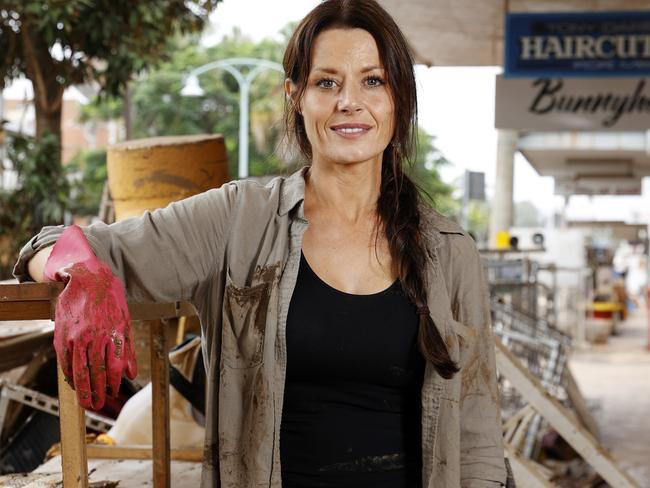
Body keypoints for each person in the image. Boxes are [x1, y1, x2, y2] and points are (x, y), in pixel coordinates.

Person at [15, 0, 507, 486]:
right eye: (326, 82)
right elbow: (65, 244)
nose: (348, 102)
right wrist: (78, 270)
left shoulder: (448, 252)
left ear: (399, 95)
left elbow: (478, 437)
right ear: (296, 95)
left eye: (373, 81)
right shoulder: (239, 221)